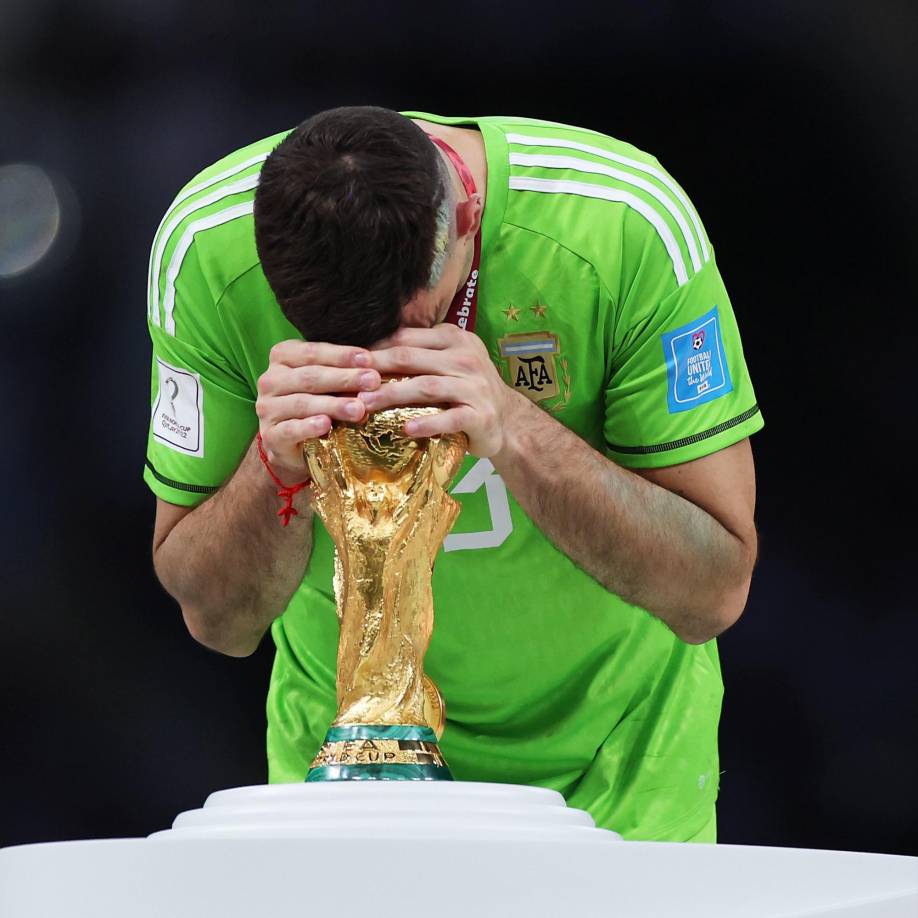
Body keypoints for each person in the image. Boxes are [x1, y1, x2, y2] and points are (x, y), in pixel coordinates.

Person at [145, 106, 763, 843]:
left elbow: (712, 592)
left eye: (409, 328)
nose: (375, 380)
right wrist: (270, 470)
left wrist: (514, 427)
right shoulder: (206, 251)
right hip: (345, 779)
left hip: (617, 775)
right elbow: (217, 621)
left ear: (466, 219)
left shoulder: (622, 225)